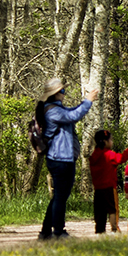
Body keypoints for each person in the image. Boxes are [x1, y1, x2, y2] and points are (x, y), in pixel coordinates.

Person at [36, 78, 97, 240]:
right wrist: (88, 102)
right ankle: (58, 231)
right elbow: (73, 116)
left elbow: (72, 113)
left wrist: (85, 102)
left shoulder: (57, 109)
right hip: (59, 159)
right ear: (55, 94)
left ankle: (46, 232)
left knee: (59, 196)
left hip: (64, 158)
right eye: (62, 91)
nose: (64, 94)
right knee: (61, 196)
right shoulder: (53, 111)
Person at [87, 129, 123, 234]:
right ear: (105, 141)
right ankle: (114, 229)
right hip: (108, 186)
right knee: (112, 209)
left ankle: (99, 230)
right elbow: (121, 159)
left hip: (98, 188)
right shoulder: (109, 154)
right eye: (111, 140)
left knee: (99, 211)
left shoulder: (94, 156)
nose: (112, 142)